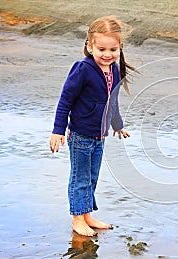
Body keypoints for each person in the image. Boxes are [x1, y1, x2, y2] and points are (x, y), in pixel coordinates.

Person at [49, 15, 135, 236]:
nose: (108, 55)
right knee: (80, 178)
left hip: (99, 136)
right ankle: (77, 219)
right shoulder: (82, 69)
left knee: (92, 176)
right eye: (102, 49)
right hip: (80, 135)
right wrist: (58, 130)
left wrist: (118, 125)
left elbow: (112, 100)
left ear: (119, 47)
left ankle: (86, 215)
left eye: (113, 50)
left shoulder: (114, 69)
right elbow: (65, 100)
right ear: (90, 46)